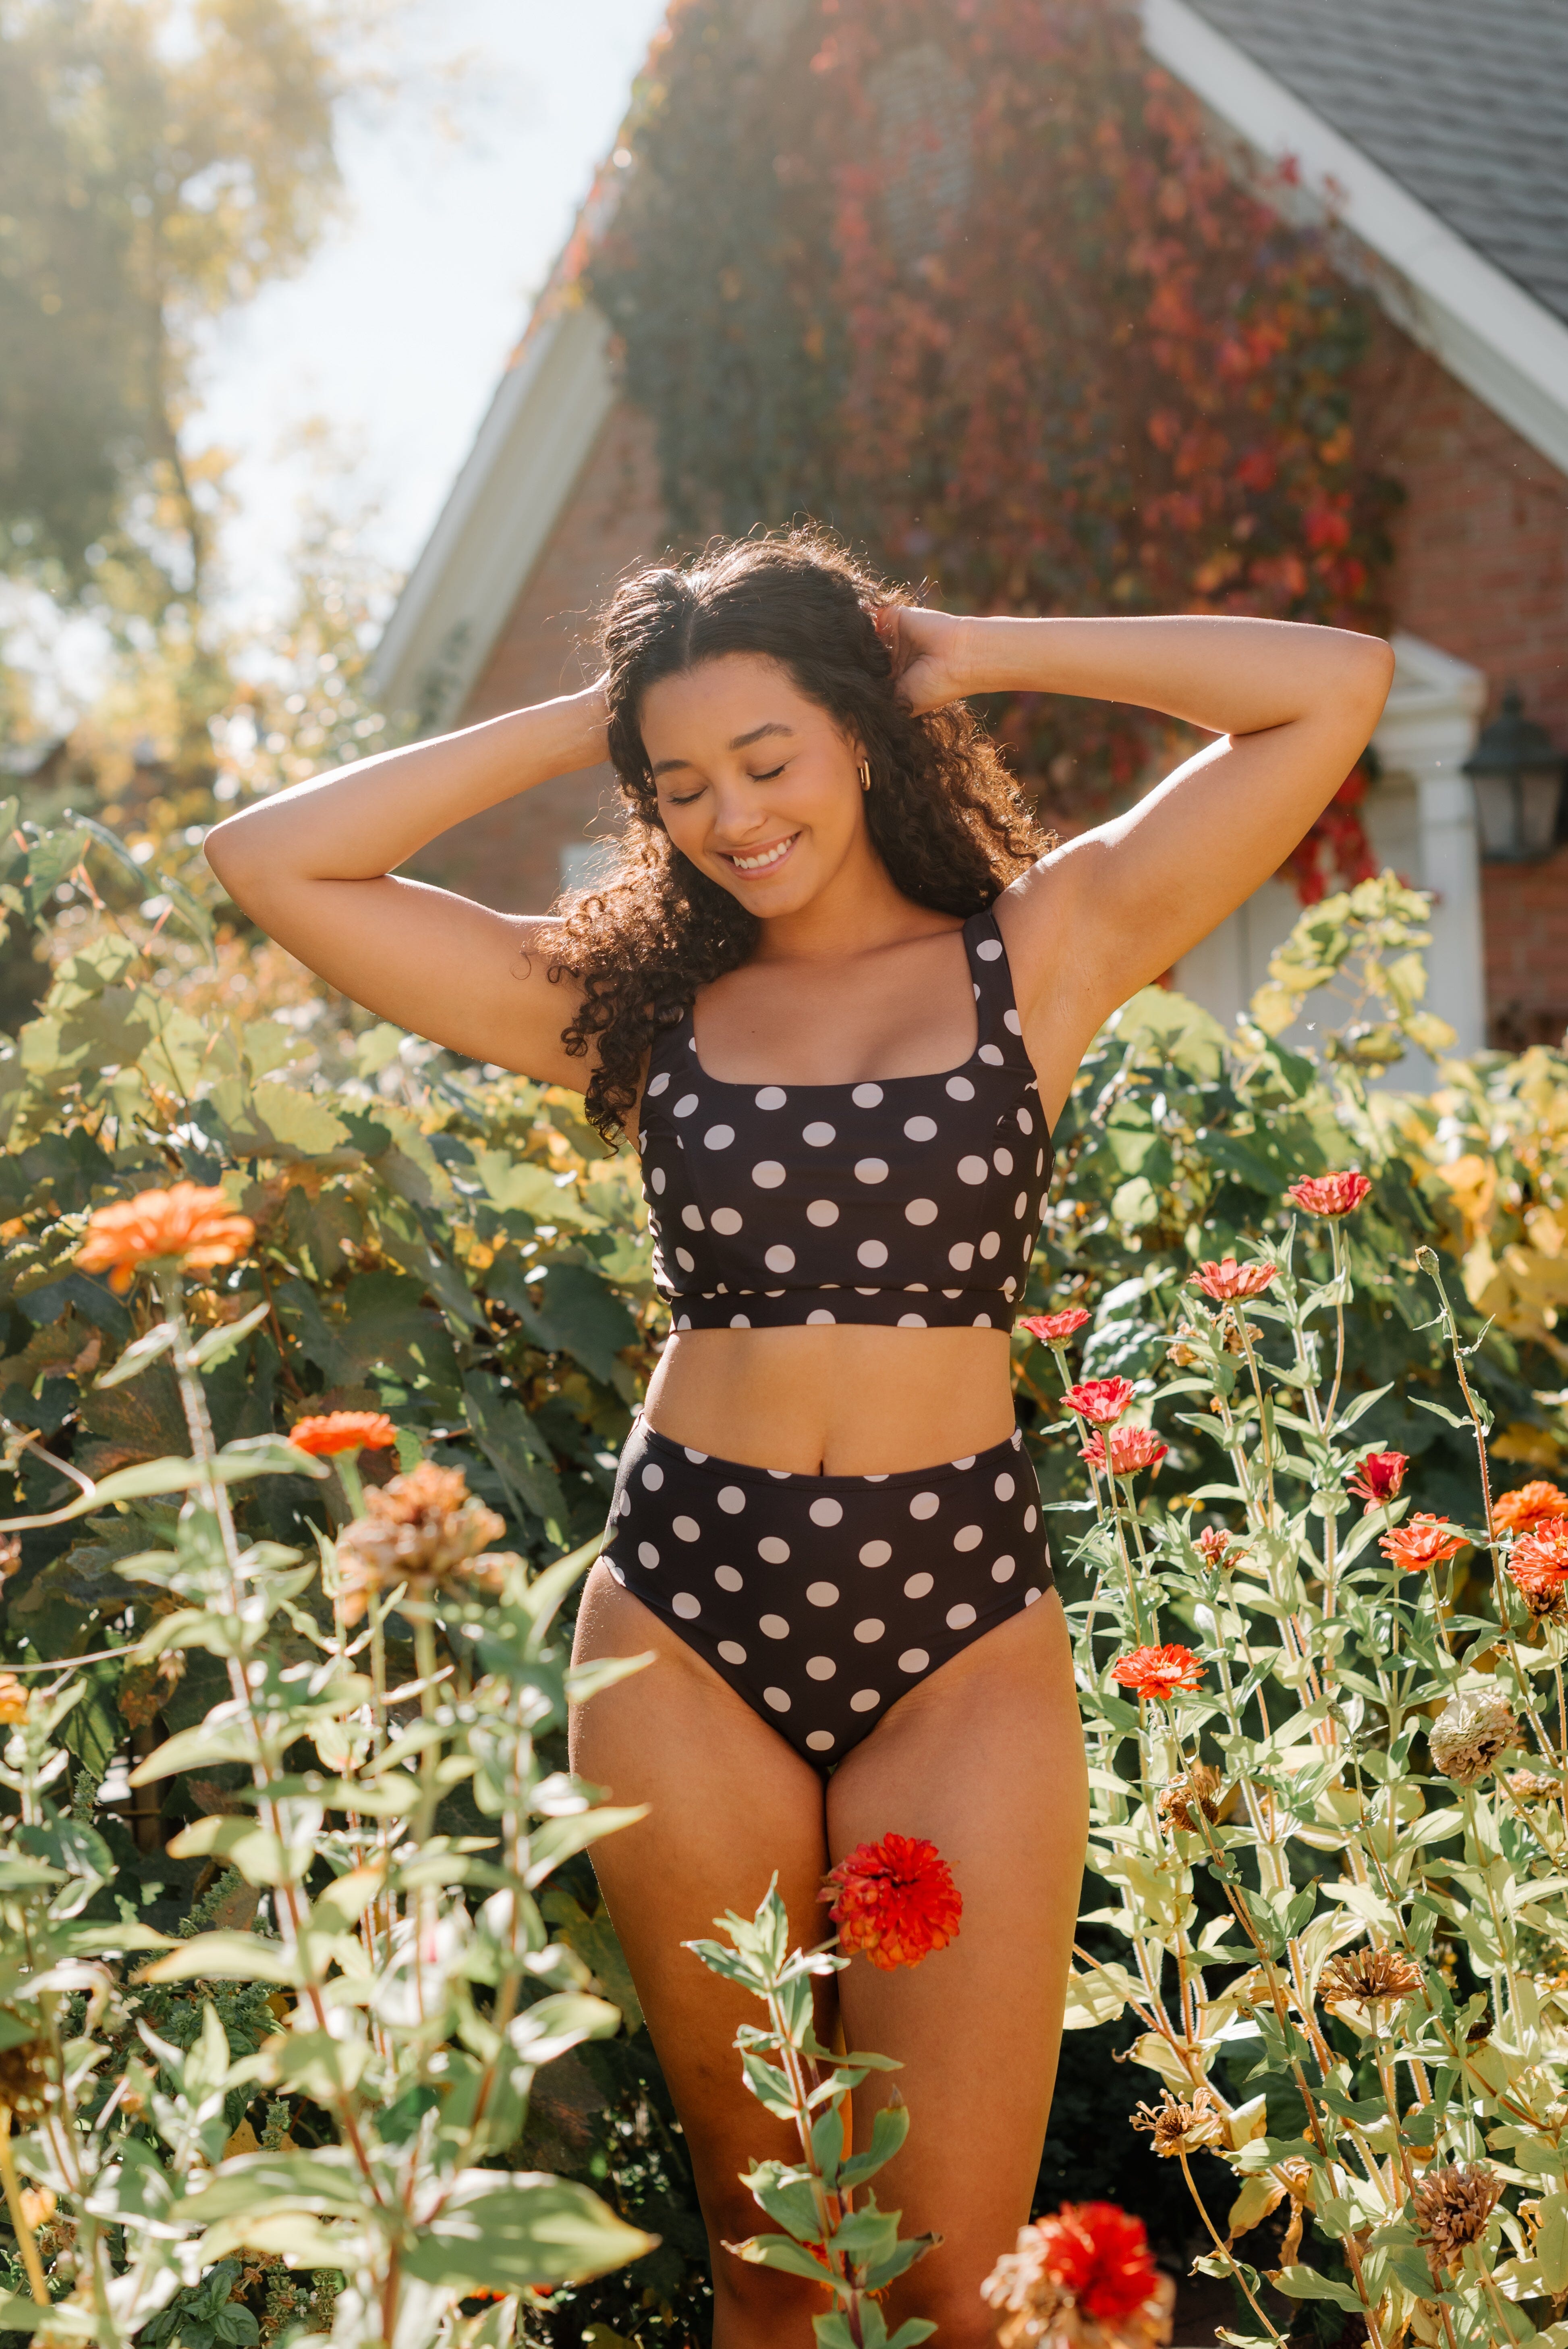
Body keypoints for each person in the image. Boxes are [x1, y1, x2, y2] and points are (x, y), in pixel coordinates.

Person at [205, 527, 1394, 2347]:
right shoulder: (638, 1009)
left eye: (769, 758)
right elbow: (271, 858)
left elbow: (1331, 688)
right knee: (778, 2263)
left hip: (957, 1630)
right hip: (684, 1620)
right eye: (679, 786)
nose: (731, 816)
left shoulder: (1044, 950)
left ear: (862, 729)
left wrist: (972, 639)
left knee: (952, 2290)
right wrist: (595, 723)